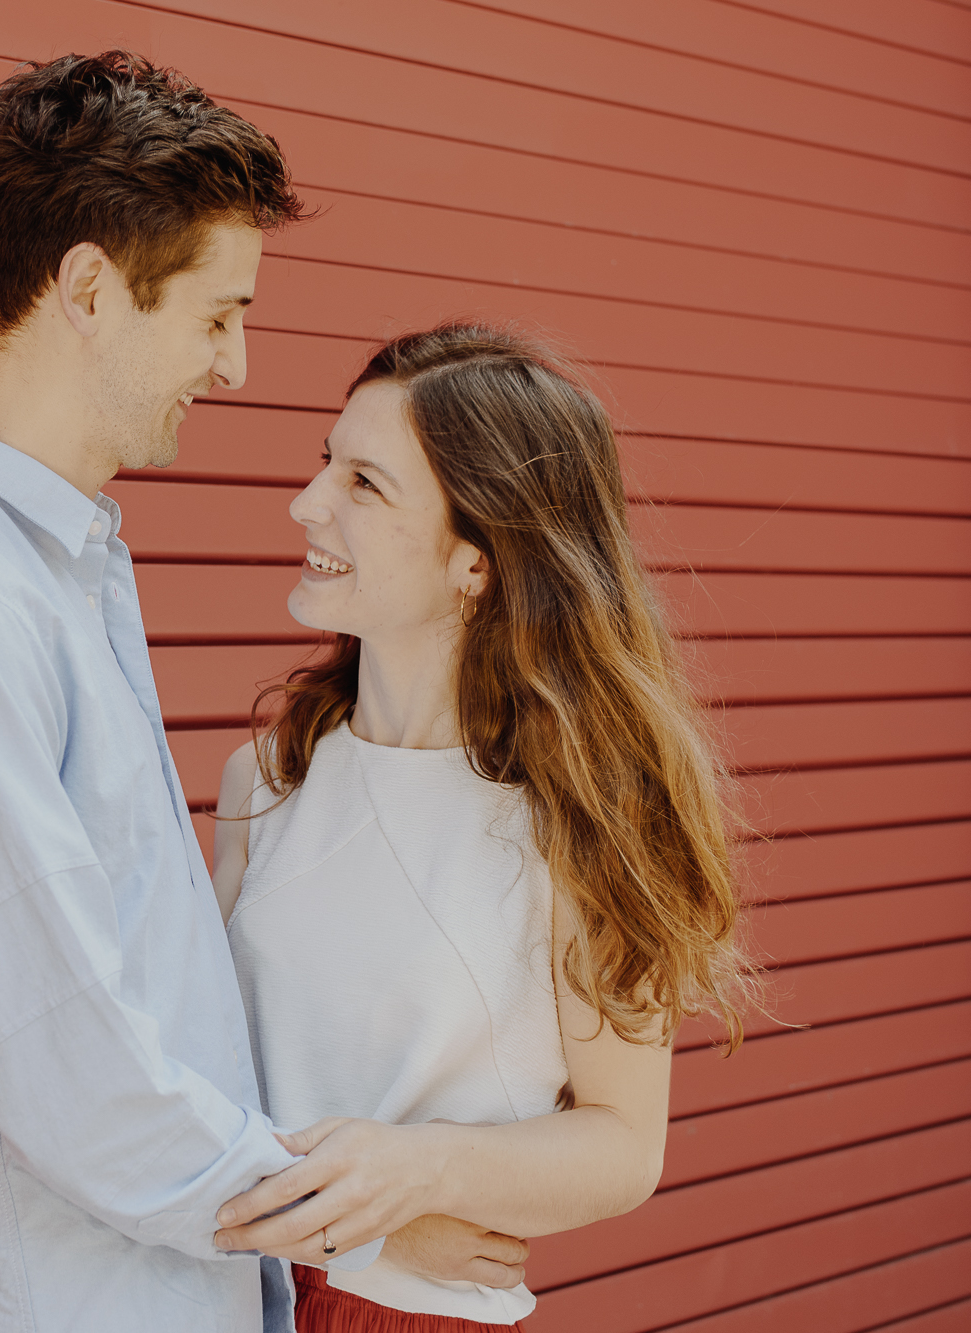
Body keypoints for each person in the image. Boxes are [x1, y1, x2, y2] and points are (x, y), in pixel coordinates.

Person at [0, 53, 525, 1333]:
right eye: (214, 313)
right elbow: (68, 1062)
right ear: (87, 290)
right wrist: (368, 1213)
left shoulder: (56, 574)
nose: (232, 366)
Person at [208, 324, 751, 1330]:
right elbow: (197, 1081)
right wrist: (367, 1222)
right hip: (215, 1290)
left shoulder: (578, 820)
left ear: (477, 562)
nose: (306, 502)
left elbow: (622, 1144)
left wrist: (415, 1173)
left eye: (363, 484)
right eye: (324, 462)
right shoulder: (262, 782)